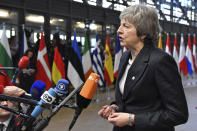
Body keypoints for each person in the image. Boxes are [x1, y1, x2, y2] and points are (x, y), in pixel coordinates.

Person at [98, 4, 188, 131]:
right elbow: (129, 99)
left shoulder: (160, 61)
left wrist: (132, 119)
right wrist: (114, 107)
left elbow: (178, 114)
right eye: (120, 25)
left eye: (126, 26)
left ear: (143, 33)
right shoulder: (125, 57)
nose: (119, 30)